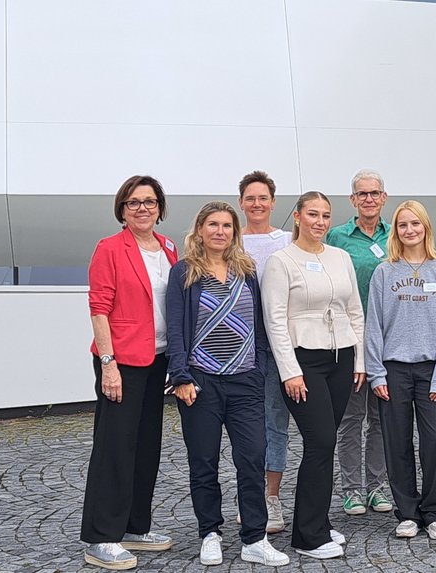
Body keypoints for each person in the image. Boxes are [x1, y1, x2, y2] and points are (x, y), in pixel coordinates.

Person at [165, 202, 289, 567]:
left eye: (226, 226)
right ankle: (211, 534)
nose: (220, 231)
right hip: (200, 383)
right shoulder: (184, 273)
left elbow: (261, 324)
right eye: (213, 224)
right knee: (203, 462)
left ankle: (254, 537)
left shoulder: (246, 270)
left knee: (252, 458)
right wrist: (181, 376)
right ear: (200, 229)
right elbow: (175, 328)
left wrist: (261, 368)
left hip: (246, 381)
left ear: (235, 233)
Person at [81, 175, 177, 570]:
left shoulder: (168, 248)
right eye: (134, 202)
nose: (143, 209)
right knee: (114, 448)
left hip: (158, 361)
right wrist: (108, 365)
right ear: (122, 209)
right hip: (120, 363)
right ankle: (101, 537)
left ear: (159, 207)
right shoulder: (109, 248)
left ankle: (136, 526)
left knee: (146, 446)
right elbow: (99, 307)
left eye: (150, 202)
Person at [262, 191, 364, 560]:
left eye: (325, 216)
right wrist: (290, 372)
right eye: (312, 215)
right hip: (303, 362)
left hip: (340, 359)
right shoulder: (281, 261)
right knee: (320, 441)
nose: (319, 222)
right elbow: (274, 320)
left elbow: (355, 309)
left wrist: (360, 360)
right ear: (298, 217)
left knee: (326, 442)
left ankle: (317, 522)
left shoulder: (341, 257)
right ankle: (307, 536)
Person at [366, 200, 436, 540]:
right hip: (394, 370)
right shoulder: (384, 272)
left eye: (415, 224)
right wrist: (376, 372)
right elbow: (372, 324)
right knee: (397, 443)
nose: (409, 230)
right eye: (403, 225)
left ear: (425, 227)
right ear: (396, 230)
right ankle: (407, 511)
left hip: (432, 369)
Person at [326, 169, 393, 516]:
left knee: (382, 418)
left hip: (388, 340)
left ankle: (378, 486)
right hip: (350, 340)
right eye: (362, 193)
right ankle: (352, 489)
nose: (369, 199)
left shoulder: (396, 234)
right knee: (351, 418)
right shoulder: (337, 237)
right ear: (352, 200)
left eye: (375, 193)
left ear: (384, 197)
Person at [237, 170, 293, 534]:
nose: (257, 204)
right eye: (250, 198)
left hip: (279, 343)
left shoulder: (288, 240)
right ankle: (248, 494)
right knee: (244, 424)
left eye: (263, 198)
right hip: (240, 346)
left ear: (273, 203)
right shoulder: (229, 238)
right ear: (241, 202)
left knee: (276, 420)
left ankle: (271, 496)